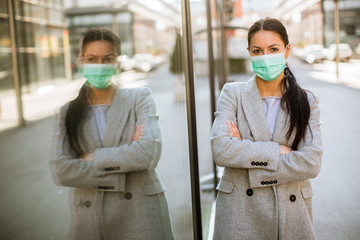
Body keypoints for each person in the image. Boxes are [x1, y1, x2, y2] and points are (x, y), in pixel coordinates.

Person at [50, 28, 173, 240]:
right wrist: (127, 158)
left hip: (140, 212)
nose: (100, 66)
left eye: (107, 59)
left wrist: (92, 159)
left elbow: (148, 153)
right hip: (91, 214)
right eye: (92, 59)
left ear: (117, 61)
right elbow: (62, 170)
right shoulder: (67, 112)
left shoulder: (139, 98)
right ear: (81, 60)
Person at [211, 18, 322, 240]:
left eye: (273, 49)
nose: (265, 57)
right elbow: (222, 150)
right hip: (239, 210)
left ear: (287, 50)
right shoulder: (233, 93)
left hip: (291, 209)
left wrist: (244, 151)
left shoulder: (306, 100)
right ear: (249, 53)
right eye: (257, 51)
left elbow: (311, 162)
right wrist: (279, 151)